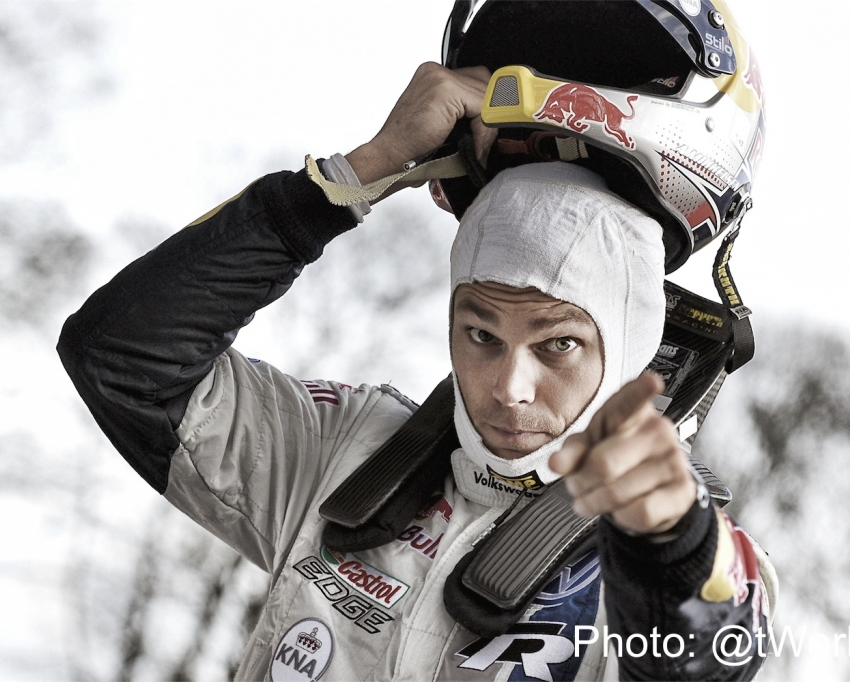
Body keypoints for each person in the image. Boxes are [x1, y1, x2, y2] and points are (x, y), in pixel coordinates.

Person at [59, 2, 775, 679]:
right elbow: (120, 354)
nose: (509, 388)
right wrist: (355, 175)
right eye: (481, 333)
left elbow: (714, 655)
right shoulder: (340, 449)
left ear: (630, 344)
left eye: (558, 345)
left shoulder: (685, 544)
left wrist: (675, 540)